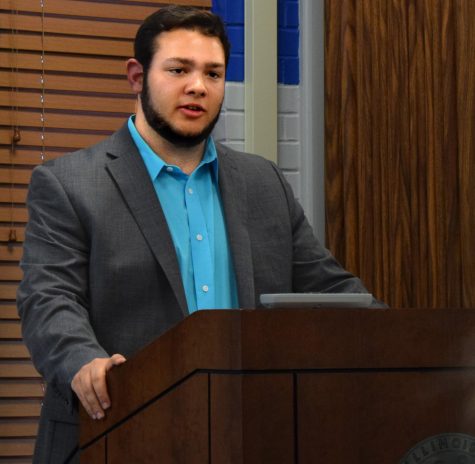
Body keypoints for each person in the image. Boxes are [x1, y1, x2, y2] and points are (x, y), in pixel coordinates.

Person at [17, 5, 383, 463]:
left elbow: (327, 288)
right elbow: (47, 297)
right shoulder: (68, 184)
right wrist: (83, 362)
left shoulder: (263, 182)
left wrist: (396, 337)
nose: (197, 86)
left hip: (247, 437)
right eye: (178, 69)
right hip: (113, 435)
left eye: (213, 73)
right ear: (137, 76)